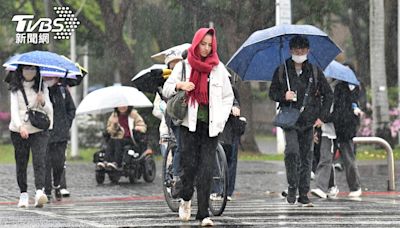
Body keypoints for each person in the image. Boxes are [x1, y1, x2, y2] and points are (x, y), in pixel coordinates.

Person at [163, 28, 234, 226]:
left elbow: (228, 97)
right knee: (190, 167)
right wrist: (181, 86)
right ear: (195, 44)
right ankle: (186, 198)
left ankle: (203, 214)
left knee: (206, 169)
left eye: (209, 45)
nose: (206, 48)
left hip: (211, 127)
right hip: (188, 126)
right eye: (202, 44)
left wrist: (221, 119)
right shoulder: (184, 66)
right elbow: (167, 88)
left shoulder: (218, 68)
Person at [269, 35, 333, 206]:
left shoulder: (314, 71)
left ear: (308, 51)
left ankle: (303, 193)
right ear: (290, 50)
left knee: (306, 157)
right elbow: (272, 93)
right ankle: (292, 185)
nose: (300, 52)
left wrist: (322, 117)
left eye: (303, 49)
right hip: (289, 120)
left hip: (309, 121)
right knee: (292, 152)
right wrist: (284, 95)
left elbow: (328, 95)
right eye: (297, 49)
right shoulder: (282, 70)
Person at [8, 65, 53, 208]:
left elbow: (49, 109)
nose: (29, 72)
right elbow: (14, 110)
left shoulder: (42, 86)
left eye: (33, 69)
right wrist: (20, 126)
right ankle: (23, 194)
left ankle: (40, 191)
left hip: (39, 129)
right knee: (21, 162)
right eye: (26, 69)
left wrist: (43, 101)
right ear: (20, 70)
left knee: (39, 160)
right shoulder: (14, 88)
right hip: (19, 130)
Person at [43, 77, 76, 201]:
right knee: (45, 163)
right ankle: (47, 191)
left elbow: (71, 109)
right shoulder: (41, 90)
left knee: (59, 163)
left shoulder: (63, 90)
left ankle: (57, 184)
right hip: (45, 133)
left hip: (61, 135)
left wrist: (66, 124)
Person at [330, 80, 363, 197]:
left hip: (343, 127)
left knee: (347, 157)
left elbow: (339, 108)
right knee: (327, 159)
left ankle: (355, 186)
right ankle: (329, 186)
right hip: (338, 126)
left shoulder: (352, 89)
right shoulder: (340, 87)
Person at [215, 86, 243, 201]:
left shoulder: (231, 88)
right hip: (216, 126)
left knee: (230, 160)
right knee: (215, 159)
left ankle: (227, 190)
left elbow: (236, 103)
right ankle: (216, 189)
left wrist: (235, 107)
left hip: (230, 129)